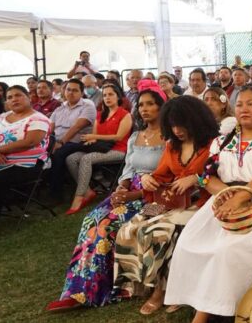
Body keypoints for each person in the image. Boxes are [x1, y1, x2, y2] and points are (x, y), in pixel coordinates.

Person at [164, 85, 252, 321]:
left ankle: (207, 314)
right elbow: (207, 176)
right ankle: (203, 300)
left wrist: (239, 198)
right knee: (188, 242)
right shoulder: (222, 141)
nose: (244, 109)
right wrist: (227, 194)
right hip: (225, 202)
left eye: (251, 104)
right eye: (239, 104)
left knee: (227, 251)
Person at [46, 88, 166, 311]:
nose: (144, 109)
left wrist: (134, 194)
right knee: (91, 220)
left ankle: (104, 288)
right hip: (129, 191)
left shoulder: (170, 137)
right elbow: (128, 169)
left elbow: (169, 177)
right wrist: (121, 188)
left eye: (150, 104)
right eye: (141, 105)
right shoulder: (136, 137)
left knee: (107, 225)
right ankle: (76, 290)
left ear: (161, 107)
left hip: (156, 198)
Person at [112, 96, 217, 315]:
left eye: (181, 125)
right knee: (130, 227)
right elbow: (161, 174)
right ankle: (140, 284)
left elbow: (221, 175)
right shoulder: (172, 145)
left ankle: (161, 290)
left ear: (195, 120)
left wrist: (196, 179)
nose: (177, 130)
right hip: (168, 200)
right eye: (172, 125)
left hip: (200, 203)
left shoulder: (213, 145)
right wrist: (148, 179)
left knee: (159, 233)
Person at [0, 86, 50, 233]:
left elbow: (29, 142)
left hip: (27, 165)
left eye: (18, 95)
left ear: (28, 97)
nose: (14, 99)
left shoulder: (38, 119)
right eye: (9, 97)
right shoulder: (1, 118)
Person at [64, 84, 133, 214]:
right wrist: (90, 140)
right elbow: (95, 137)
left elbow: (119, 137)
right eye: (105, 95)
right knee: (71, 158)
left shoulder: (125, 115)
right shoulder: (100, 115)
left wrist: (94, 136)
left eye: (111, 94)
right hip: (102, 148)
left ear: (118, 97)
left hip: (119, 150)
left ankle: (79, 197)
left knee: (86, 158)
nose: (107, 98)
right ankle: (87, 191)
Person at [49, 79, 97, 201]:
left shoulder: (88, 107)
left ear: (82, 93)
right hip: (58, 140)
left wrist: (61, 142)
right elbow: (50, 128)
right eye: (68, 90)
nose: (70, 93)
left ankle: (56, 195)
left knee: (58, 153)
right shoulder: (60, 108)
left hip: (78, 142)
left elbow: (77, 127)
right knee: (43, 151)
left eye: (75, 90)